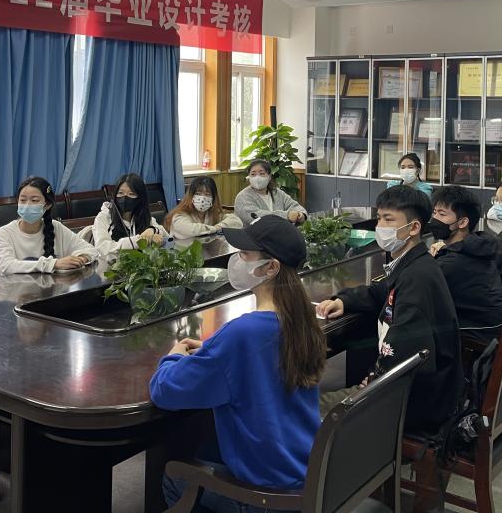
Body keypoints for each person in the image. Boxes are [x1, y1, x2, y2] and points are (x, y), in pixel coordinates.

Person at [150, 217, 325, 511]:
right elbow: (256, 360)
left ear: (271, 268)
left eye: (245, 254)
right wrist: (215, 352)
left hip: (268, 497)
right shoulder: (302, 318)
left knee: (174, 478)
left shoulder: (243, 334)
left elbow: (164, 390)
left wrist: (174, 356)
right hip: (304, 474)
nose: (236, 260)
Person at [316, 186, 461, 437]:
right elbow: (381, 290)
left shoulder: (416, 280)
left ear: (414, 228)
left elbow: (404, 359)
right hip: (417, 392)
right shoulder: (414, 264)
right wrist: (345, 301)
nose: (380, 226)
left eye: (389, 219)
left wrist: (372, 380)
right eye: (379, 218)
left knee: (306, 406)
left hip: (410, 404)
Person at [428, 186, 502, 343]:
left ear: (462, 222)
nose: (434, 219)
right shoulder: (477, 245)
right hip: (498, 325)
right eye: (434, 212)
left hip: (482, 333)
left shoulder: (452, 263)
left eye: (442, 214)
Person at [0, 176, 98, 276]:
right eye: (23, 200)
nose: (27, 205)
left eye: (34, 200)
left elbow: (90, 250)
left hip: (53, 288)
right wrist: (54, 264)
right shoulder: (4, 233)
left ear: (47, 205)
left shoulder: (56, 227)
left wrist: (79, 260)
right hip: (15, 289)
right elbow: (6, 266)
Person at [93, 173, 170, 258]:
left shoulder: (144, 216)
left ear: (140, 198)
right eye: (120, 193)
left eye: (131, 194)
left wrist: (153, 230)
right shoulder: (103, 217)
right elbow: (103, 248)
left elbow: (168, 240)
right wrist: (139, 240)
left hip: (141, 264)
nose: (125, 197)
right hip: (111, 265)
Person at [165, 175, 242, 252]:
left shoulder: (212, 213)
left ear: (213, 198)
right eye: (198, 194)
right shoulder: (179, 215)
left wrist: (218, 226)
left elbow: (237, 222)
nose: (202, 198)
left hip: (208, 254)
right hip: (182, 255)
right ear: (191, 196)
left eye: (207, 194)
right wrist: (215, 229)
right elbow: (191, 230)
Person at [233, 159, 307, 226]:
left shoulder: (277, 192)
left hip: (279, 233)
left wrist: (301, 215)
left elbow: (294, 205)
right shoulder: (243, 196)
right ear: (249, 177)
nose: (257, 177)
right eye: (253, 174)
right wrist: (286, 215)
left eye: (262, 173)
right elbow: (256, 216)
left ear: (269, 177)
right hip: (252, 235)